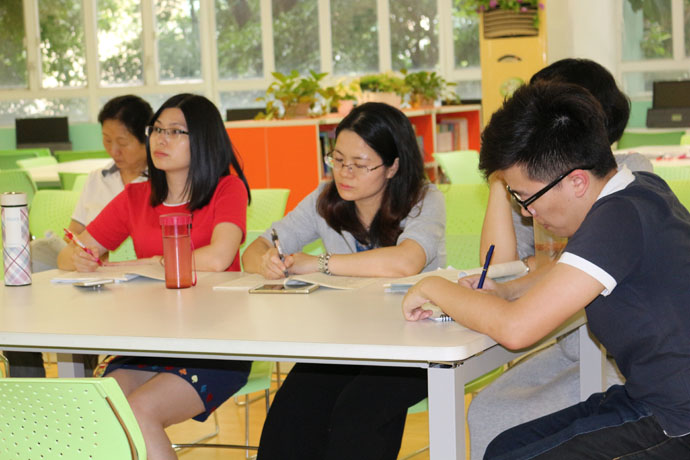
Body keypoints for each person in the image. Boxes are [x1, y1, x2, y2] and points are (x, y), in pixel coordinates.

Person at [403, 81, 690, 459]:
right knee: (506, 446)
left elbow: (516, 329)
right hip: (653, 399)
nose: (527, 212)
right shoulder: (639, 191)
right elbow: (568, 267)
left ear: (576, 181)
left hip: (675, 419)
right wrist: (507, 291)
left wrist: (433, 286)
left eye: (527, 197)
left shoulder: (616, 219)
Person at [468, 59, 655, 458]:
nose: (528, 211)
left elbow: (521, 320)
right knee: (493, 421)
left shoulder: (622, 194)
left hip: (636, 377)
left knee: (512, 439)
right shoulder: (546, 189)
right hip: (589, 356)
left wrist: (434, 288)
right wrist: (505, 178)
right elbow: (505, 267)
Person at [243, 102, 446, 460]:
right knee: (289, 416)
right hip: (347, 344)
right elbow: (254, 249)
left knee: (358, 414)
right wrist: (266, 261)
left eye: (360, 164)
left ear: (393, 166)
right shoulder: (324, 201)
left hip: (413, 345)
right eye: (337, 160)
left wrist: (319, 263)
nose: (344, 173)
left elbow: (404, 262)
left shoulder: (424, 200)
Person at [57, 93, 252, 460]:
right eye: (157, 130)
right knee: (102, 405)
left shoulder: (227, 189)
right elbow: (70, 254)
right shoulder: (136, 196)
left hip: (214, 344)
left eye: (176, 131)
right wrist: (80, 258)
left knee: (139, 410)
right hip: (150, 340)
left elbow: (218, 257)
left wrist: (149, 263)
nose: (161, 139)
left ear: (204, 138)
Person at [5, 95, 154, 378]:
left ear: (146, 139)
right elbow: (75, 234)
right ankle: (30, 383)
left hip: (133, 286)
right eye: (106, 140)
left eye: (122, 142)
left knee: (74, 312)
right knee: (20, 301)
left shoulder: (161, 183)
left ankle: (82, 385)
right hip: (85, 275)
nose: (113, 150)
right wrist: (79, 249)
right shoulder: (98, 178)